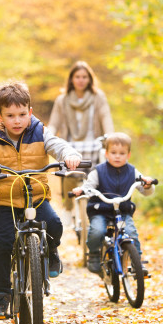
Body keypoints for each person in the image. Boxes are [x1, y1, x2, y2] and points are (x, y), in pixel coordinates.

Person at [0, 81, 81, 317]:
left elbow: (56, 145)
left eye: (21, 114)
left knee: (55, 224)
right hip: (6, 200)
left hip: (36, 196)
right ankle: (2, 296)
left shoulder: (40, 132)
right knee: (1, 244)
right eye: (10, 116)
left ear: (30, 112)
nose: (16, 120)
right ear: (0, 116)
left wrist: (68, 154)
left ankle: (50, 252)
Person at [72, 132, 155, 276]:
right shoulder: (98, 171)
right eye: (113, 152)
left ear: (128, 155)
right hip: (100, 210)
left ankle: (137, 262)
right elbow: (89, 186)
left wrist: (147, 184)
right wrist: (82, 190)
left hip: (122, 212)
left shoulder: (132, 171)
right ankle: (94, 254)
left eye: (122, 153)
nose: (117, 156)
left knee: (131, 233)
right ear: (106, 153)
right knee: (97, 231)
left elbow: (144, 188)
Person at [48, 61, 114, 229]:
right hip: (71, 145)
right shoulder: (62, 100)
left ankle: (99, 209)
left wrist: (111, 137)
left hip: (93, 144)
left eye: (84, 77)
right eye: (77, 77)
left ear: (90, 79)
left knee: (99, 177)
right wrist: (47, 136)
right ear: (71, 79)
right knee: (69, 174)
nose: (81, 80)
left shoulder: (98, 97)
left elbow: (106, 117)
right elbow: (54, 123)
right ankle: (68, 209)